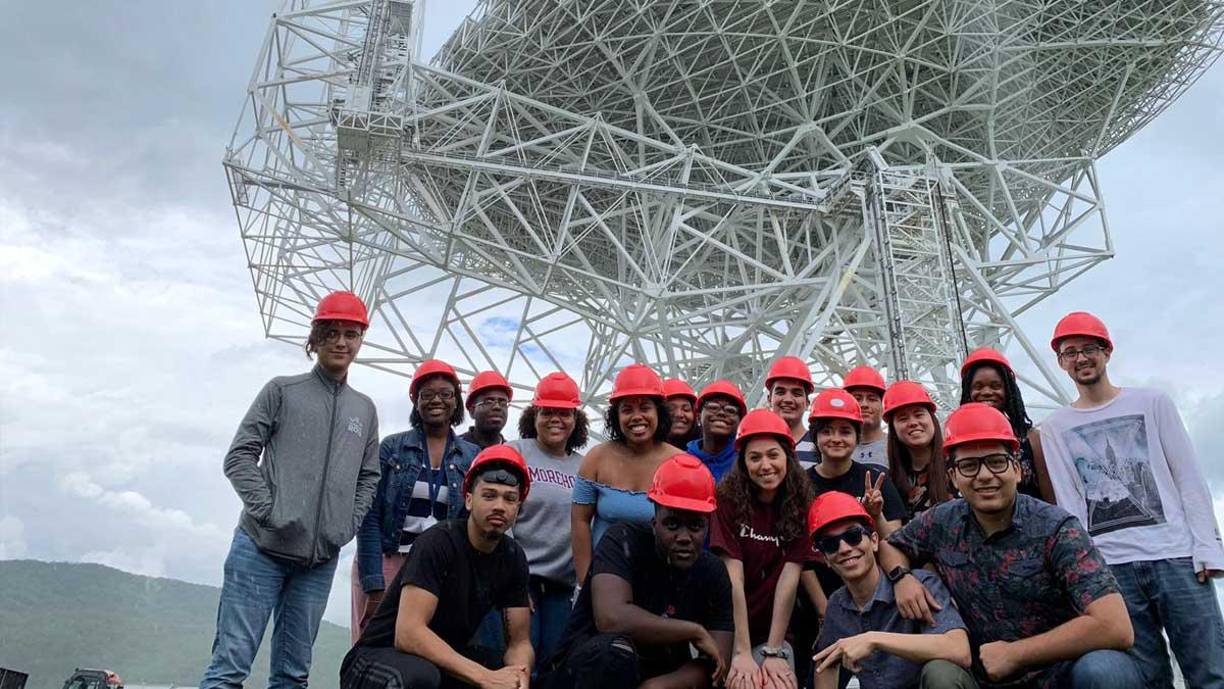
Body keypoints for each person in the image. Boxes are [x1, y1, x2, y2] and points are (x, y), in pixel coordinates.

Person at [881, 402, 1142, 689]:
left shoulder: (1056, 528)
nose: (984, 475)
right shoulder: (942, 522)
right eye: (968, 466)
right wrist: (902, 578)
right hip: (985, 679)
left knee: (1107, 669)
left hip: (1060, 675)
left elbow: (1115, 626)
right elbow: (890, 546)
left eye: (996, 462)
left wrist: (1015, 654)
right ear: (953, 477)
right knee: (940, 673)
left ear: (1017, 469)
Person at [202, 291, 381, 689]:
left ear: (360, 340)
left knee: (292, 676)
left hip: (319, 560)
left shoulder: (364, 409)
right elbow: (239, 456)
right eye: (331, 332)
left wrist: (344, 526)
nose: (341, 342)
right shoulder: (282, 391)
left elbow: (369, 476)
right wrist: (270, 512)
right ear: (314, 338)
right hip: (259, 548)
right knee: (229, 669)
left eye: (351, 334)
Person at [1039, 311, 1224, 689]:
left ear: (1107, 352)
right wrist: (1086, 573)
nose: (1080, 358)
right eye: (1070, 352)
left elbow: (1188, 477)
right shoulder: (1055, 427)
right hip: (1112, 568)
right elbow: (1071, 504)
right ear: (1061, 362)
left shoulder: (1153, 402)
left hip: (1177, 557)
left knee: (1211, 671)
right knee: (1148, 678)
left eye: (1089, 348)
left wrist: (1208, 547)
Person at [341, 445, 535, 689]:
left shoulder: (513, 557)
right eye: (489, 495)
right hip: (377, 658)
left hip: (437, 660)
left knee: (507, 672)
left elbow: (519, 642)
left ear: (518, 507)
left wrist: (519, 675)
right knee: (421, 677)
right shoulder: (437, 543)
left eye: (510, 499)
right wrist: (485, 677)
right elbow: (408, 633)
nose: (499, 506)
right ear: (468, 500)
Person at [543, 454, 734, 689]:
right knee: (615, 653)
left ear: (707, 526)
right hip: (587, 672)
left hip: (659, 678)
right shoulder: (622, 540)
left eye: (695, 526)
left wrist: (656, 687)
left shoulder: (713, 572)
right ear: (654, 523)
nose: (684, 537)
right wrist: (693, 631)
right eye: (672, 524)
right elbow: (611, 618)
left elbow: (718, 663)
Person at [353, 359, 480, 642]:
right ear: (415, 401)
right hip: (387, 562)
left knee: (422, 649)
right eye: (427, 394)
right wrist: (374, 583)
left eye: (445, 394)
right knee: (371, 647)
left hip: (437, 570)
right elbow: (369, 516)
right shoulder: (392, 448)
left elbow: (468, 525)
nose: (436, 400)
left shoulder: (472, 456)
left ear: (456, 401)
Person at [797, 388, 906, 688]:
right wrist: (825, 611)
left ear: (857, 437)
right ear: (815, 437)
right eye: (827, 431)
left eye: (845, 431)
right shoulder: (801, 486)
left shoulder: (875, 479)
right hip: (822, 607)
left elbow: (895, 541)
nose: (836, 438)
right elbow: (800, 556)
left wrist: (876, 515)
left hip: (877, 606)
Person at [808, 491, 971, 689]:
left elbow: (959, 649)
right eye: (830, 544)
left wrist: (874, 640)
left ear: (874, 541)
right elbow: (825, 664)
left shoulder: (918, 584)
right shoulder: (837, 606)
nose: (844, 549)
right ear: (825, 558)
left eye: (853, 536)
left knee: (941, 673)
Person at [712, 409, 814, 689]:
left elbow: (789, 579)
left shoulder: (801, 505)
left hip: (774, 630)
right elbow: (734, 578)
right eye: (754, 458)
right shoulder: (727, 501)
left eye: (773, 455)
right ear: (743, 463)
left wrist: (774, 650)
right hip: (727, 627)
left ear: (788, 457)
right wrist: (742, 652)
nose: (765, 465)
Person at [507, 372, 590, 669]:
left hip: (562, 588)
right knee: (519, 661)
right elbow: (501, 519)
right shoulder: (515, 452)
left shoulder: (584, 466)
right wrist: (512, 579)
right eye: (547, 412)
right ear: (534, 415)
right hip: (520, 580)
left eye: (565, 413)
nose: (556, 419)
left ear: (576, 419)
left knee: (554, 666)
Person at [571, 363, 682, 583]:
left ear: (659, 412)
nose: (637, 416)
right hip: (603, 581)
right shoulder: (596, 458)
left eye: (645, 408)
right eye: (627, 410)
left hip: (660, 584)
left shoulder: (680, 464)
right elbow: (579, 521)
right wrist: (584, 582)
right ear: (616, 416)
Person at [959, 348, 1054, 503]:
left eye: (995, 386)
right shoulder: (958, 441)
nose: (987, 392)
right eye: (978, 387)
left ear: (1008, 390)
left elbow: (1049, 494)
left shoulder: (1032, 438)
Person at [883, 381, 953, 521]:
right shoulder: (890, 481)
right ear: (894, 430)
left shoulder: (959, 468)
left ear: (932, 419)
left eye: (919, 414)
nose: (913, 423)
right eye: (903, 418)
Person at [687, 379, 747, 482]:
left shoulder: (746, 461)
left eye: (730, 410)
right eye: (713, 407)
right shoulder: (683, 460)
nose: (721, 413)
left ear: (740, 421)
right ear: (698, 417)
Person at [765, 356, 817, 470]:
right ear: (769, 399)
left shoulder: (820, 447)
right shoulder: (755, 444)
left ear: (807, 402)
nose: (788, 399)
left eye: (796, 393)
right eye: (780, 392)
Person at [843, 367, 888, 469]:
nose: (864, 404)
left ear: (883, 406)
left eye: (872, 399)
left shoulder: (899, 448)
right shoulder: (830, 449)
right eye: (857, 398)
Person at [461, 370, 514, 449]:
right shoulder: (453, 449)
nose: (497, 407)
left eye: (503, 402)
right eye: (489, 401)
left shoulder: (513, 452)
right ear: (472, 411)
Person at [664, 378, 700, 447]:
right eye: (670, 409)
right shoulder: (645, 447)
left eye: (686, 409)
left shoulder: (707, 447)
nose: (679, 414)